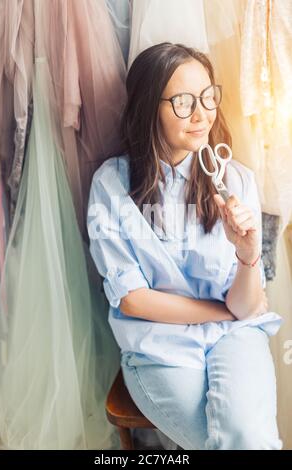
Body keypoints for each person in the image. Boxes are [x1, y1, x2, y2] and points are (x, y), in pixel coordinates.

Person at [87, 43, 282, 450]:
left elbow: (248, 309)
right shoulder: (111, 185)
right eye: (182, 101)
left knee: (248, 437)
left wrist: (248, 256)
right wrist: (219, 311)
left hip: (235, 335)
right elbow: (134, 301)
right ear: (148, 107)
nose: (202, 114)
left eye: (208, 96)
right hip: (158, 345)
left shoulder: (237, 180)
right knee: (231, 443)